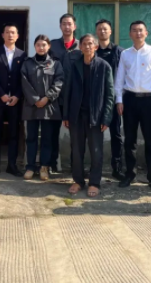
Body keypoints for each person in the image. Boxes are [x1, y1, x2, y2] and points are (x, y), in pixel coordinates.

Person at [115, 20, 151, 193]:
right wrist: (119, 100)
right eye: (134, 30)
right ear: (130, 34)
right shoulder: (125, 54)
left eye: (140, 30)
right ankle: (130, 174)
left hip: (149, 100)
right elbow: (120, 78)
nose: (138, 33)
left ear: (146, 33)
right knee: (129, 140)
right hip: (129, 99)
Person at [63, 34, 114, 197]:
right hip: (76, 114)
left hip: (96, 116)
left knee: (96, 151)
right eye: (84, 44)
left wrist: (106, 117)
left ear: (96, 46)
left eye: (90, 44)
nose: (87, 46)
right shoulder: (75, 66)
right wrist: (66, 115)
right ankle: (78, 180)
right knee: (77, 150)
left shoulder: (104, 66)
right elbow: (67, 91)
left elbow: (110, 94)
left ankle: (94, 182)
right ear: (80, 47)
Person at [20, 35, 64, 181]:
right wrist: (35, 99)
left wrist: (47, 98)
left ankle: (44, 167)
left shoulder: (55, 64)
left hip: (49, 107)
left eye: (44, 45)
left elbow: (59, 82)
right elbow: (24, 83)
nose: (41, 47)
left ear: (49, 46)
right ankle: (30, 167)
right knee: (31, 138)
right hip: (31, 107)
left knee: (47, 139)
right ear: (35, 46)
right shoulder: (27, 63)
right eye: (38, 45)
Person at [0, 23, 26, 178]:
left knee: (14, 134)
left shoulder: (22, 55)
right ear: (2, 35)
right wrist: (1, 94)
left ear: (17, 36)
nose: (10, 35)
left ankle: (12, 165)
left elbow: (24, 78)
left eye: (13, 32)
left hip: (15, 101)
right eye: (7, 32)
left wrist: (17, 95)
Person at [49, 13, 81, 172]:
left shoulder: (81, 46)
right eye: (64, 24)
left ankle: (76, 166)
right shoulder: (52, 45)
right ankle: (52, 164)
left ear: (74, 26)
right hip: (55, 97)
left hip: (75, 97)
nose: (67, 27)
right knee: (52, 133)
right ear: (60, 26)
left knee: (76, 134)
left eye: (69, 24)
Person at [95, 19, 125, 181]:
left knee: (116, 134)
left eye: (105, 29)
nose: (102, 31)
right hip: (95, 100)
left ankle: (117, 167)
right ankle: (95, 168)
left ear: (111, 31)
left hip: (113, 100)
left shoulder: (119, 52)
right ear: (96, 32)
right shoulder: (93, 50)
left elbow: (124, 76)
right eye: (100, 29)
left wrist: (120, 99)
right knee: (94, 135)